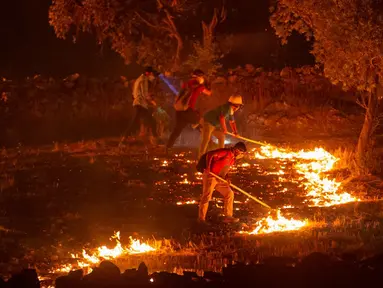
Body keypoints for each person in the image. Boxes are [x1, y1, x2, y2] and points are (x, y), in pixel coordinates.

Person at [197, 142, 247, 224]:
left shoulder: (232, 159)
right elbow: (210, 155)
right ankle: (201, 219)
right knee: (206, 196)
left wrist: (227, 178)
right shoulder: (225, 152)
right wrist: (208, 168)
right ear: (237, 150)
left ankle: (228, 216)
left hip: (219, 178)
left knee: (229, 194)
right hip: (211, 176)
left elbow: (224, 169)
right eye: (241, 153)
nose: (241, 155)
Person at [166, 69, 212, 152]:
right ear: (200, 77)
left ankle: (168, 147)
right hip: (188, 110)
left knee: (177, 130)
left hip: (180, 110)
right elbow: (209, 93)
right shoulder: (200, 87)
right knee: (200, 122)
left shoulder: (186, 84)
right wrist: (207, 84)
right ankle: (209, 145)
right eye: (202, 77)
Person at [127, 67, 159, 145]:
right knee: (152, 122)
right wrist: (152, 101)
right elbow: (145, 94)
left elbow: (136, 93)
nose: (153, 77)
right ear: (148, 73)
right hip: (140, 104)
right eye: (152, 74)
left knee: (135, 122)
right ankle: (155, 140)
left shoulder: (139, 79)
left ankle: (124, 139)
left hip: (139, 103)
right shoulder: (144, 80)